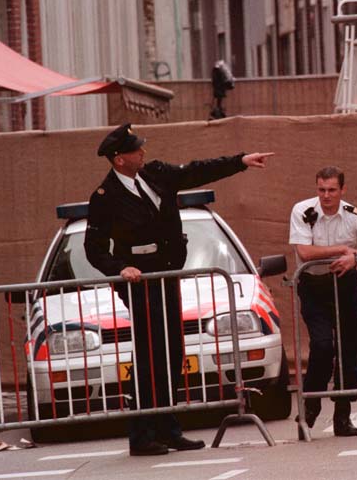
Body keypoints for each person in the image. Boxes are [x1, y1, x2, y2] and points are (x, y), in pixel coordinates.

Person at [84, 123, 273, 456]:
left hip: (168, 274)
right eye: (134, 149)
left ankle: (169, 428)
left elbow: (197, 171)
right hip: (139, 280)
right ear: (118, 160)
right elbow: (94, 248)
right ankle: (141, 435)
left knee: (171, 350)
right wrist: (119, 268)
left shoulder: (156, 174)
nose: (142, 152)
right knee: (149, 354)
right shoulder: (105, 197)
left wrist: (240, 160)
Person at [289, 166, 357, 438]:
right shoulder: (302, 211)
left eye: (332, 190)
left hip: (344, 284)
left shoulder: (352, 215)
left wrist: (356, 258)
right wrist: (340, 249)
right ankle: (310, 409)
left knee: (350, 349)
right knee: (323, 346)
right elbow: (304, 251)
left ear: (342, 190)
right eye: (321, 190)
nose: (326, 196)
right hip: (313, 285)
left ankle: (343, 416)